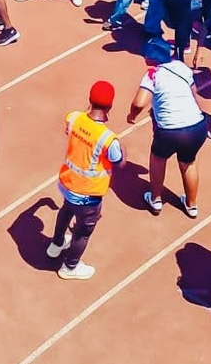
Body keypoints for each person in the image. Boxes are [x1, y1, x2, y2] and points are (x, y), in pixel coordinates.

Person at [48, 81, 124, 280]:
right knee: (82, 232)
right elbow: (119, 161)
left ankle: (56, 245)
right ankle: (70, 267)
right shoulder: (108, 138)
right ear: (110, 106)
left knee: (66, 211)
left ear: (89, 100)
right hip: (88, 195)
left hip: (67, 184)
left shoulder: (74, 118)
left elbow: (77, 124)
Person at [129, 39, 206, 216]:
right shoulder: (181, 67)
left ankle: (155, 199)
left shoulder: (152, 74)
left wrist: (132, 115)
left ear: (150, 57)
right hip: (196, 127)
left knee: (158, 159)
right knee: (188, 162)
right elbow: (194, 93)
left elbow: (139, 103)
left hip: (170, 132)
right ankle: (191, 205)